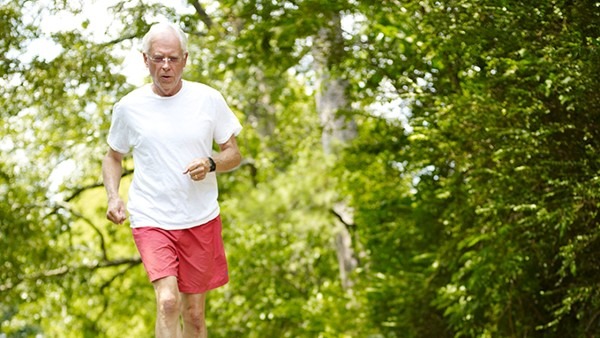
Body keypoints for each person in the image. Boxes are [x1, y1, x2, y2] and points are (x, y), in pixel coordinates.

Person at [102, 22, 242, 338]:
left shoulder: (208, 99)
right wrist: (113, 196)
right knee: (167, 302)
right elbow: (113, 157)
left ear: (185, 60)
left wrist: (210, 163)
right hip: (152, 217)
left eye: (173, 58)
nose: (166, 67)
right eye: (158, 58)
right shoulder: (129, 107)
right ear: (145, 60)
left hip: (200, 217)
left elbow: (233, 154)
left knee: (194, 316)